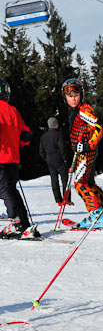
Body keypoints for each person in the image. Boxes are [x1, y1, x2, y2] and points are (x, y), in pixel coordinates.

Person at [61, 78, 103, 230]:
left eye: (76, 94)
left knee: (80, 185)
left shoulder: (84, 110)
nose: (73, 98)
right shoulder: (74, 111)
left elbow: (98, 128)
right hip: (83, 152)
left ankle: (96, 215)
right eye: (69, 95)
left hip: (86, 153)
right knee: (89, 184)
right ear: (65, 97)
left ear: (81, 94)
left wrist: (88, 145)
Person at [0, 78, 39, 239]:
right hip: (13, 159)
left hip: (1, 156)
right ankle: (23, 222)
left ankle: (16, 222)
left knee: (4, 189)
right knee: (11, 189)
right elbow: (26, 135)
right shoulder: (13, 110)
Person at [39, 117, 72, 206]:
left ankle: (58, 200)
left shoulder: (43, 137)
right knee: (65, 180)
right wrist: (65, 158)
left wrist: (46, 159)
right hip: (60, 160)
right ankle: (66, 198)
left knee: (54, 180)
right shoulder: (58, 135)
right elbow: (62, 148)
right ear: (55, 124)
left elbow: (41, 151)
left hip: (50, 161)